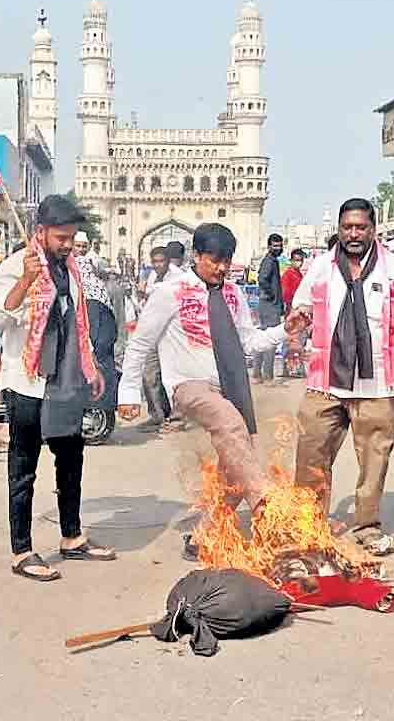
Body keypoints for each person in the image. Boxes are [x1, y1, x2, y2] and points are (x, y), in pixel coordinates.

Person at [117, 224, 308, 559]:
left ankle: (204, 533)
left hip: (231, 384)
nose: (221, 267)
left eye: (227, 261)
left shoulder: (233, 295)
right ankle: (265, 501)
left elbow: (250, 342)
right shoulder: (170, 291)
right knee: (230, 425)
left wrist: (283, 330)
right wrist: (128, 392)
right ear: (197, 255)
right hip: (188, 386)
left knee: (236, 461)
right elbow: (141, 343)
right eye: (215, 260)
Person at [0, 194, 115, 582]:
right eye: (61, 237)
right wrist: (27, 281)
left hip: (65, 381)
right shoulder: (14, 267)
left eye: (72, 237)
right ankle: (22, 550)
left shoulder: (72, 269)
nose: (68, 244)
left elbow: (78, 321)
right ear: (40, 232)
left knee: (71, 459)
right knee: (24, 466)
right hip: (26, 381)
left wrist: (90, 365)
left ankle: (72, 537)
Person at [293, 198, 394, 545]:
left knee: (374, 460)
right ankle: (309, 525)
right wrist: (296, 323)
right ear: (338, 229)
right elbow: (301, 310)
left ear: (373, 230)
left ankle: (367, 526)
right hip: (324, 381)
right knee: (312, 455)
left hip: (377, 383)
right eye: (347, 227)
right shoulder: (321, 267)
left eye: (361, 227)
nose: (353, 234)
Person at [74, 237, 118, 411]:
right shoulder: (100, 283)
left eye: (83, 246)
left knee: (94, 360)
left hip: (94, 319)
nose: (80, 249)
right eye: (78, 245)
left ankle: (94, 407)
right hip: (103, 321)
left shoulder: (82, 277)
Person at [139, 246, 173, 431]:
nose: (158, 265)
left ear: (167, 261)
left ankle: (174, 416)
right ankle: (157, 415)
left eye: (161, 261)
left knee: (171, 376)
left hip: (169, 334)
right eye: (155, 262)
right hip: (152, 332)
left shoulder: (175, 278)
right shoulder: (152, 277)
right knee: (149, 374)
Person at [254, 233, 284, 385]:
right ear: (269, 246)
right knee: (271, 340)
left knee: (263, 339)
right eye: (275, 245)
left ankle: (257, 374)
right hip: (269, 305)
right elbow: (262, 280)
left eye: (279, 245)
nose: (278, 248)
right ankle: (267, 376)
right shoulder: (270, 261)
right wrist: (272, 295)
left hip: (268, 304)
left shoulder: (272, 260)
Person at [281, 249, 307, 378]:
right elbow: (286, 294)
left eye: (301, 260)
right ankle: (288, 369)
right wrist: (291, 309)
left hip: (299, 313)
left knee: (298, 341)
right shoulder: (288, 275)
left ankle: (297, 369)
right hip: (292, 312)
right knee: (291, 341)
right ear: (291, 260)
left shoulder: (299, 275)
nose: (299, 262)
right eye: (296, 260)